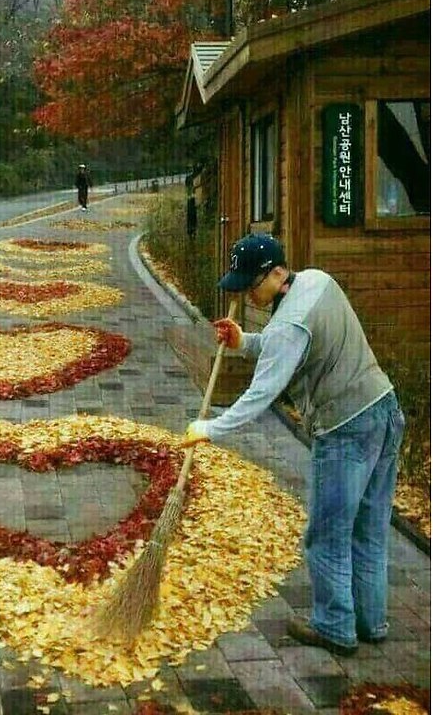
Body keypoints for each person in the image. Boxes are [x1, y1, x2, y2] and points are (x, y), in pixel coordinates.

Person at [182, 232, 405, 658]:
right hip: (384, 410)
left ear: (277, 272)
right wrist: (244, 342)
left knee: (326, 535)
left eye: (252, 284)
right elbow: (291, 346)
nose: (247, 293)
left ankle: (335, 627)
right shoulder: (317, 281)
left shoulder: (287, 325)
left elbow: (262, 392)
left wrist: (210, 428)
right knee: (369, 529)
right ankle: (371, 622)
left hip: (346, 428)